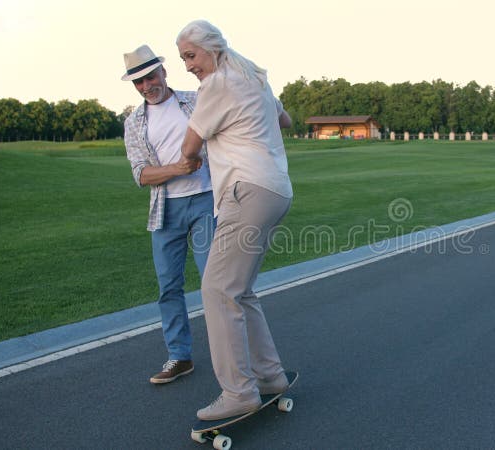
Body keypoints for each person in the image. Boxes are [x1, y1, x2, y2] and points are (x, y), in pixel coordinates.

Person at [176, 20, 293, 420]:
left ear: (212, 48)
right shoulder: (254, 76)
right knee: (239, 291)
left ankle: (238, 392)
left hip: (247, 191)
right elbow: (286, 120)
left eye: (191, 56)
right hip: (276, 189)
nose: (188, 66)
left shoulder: (218, 83)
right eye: (183, 59)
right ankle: (271, 377)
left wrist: (191, 159)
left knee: (216, 290)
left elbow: (189, 144)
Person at [121, 44, 215, 385]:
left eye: (150, 77)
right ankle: (180, 356)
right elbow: (141, 175)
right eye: (138, 83)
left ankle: (230, 354)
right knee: (168, 287)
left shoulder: (195, 99)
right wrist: (177, 167)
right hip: (166, 211)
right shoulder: (134, 122)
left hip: (207, 201)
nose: (147, 86)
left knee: (214, 284)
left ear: (163, 71)